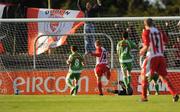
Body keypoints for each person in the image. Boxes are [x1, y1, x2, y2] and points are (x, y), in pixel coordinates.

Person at [139, 18, 179, 102]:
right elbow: (166, 41)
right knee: (164, 77)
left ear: (145, 25)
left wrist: (142, 51)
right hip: (161, 56)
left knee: (143, 76)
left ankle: (144, 97)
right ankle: (174, 93)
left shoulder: (146, 32)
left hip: (152, 57)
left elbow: (146, 46)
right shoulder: (159, 31)